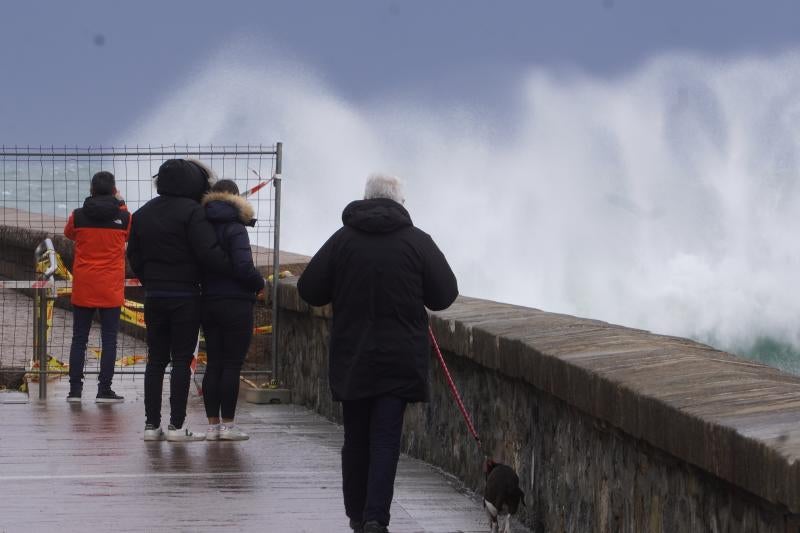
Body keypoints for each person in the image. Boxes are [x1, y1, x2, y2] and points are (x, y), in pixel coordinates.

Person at [297, 174, 458, 533]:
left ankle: (356, 514)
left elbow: (309, 289)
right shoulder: (417, 242)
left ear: (365, 199)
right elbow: (444, 295)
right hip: (399, 360)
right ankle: (375, 519)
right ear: (401, 203)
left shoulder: (342, 241)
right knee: (385, 439)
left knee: (355, 438)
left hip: (353, 357)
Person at [127, 159, 231, 442]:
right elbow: (207, 253)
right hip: (185, 296)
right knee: (182, 361)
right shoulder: (193, 213)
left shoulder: (142, 213)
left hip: (154, 295)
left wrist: (151, 281)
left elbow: (133, 256)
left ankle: (151, 426)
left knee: (155, 361)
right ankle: (176, 426)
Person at [200, 179, 265, 441]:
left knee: (214, 363)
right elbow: (243, 268)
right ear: (237, 199)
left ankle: (213, 426)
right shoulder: (236, 228)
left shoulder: (201, 225)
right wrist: (259, 283)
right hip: (236, 302)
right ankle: (228, 426)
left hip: (208, 301)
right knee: (231, 365)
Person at [64, 171, 131, 403]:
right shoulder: (124, 218)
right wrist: (120, 204)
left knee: (79, 339)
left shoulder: (78, 216)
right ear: (114, 190)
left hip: (84, 285)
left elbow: (68, 233)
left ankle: (74, 390)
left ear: (91, 189)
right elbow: (128, 235)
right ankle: (104, 390)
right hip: (110, 288)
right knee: (110, 339)